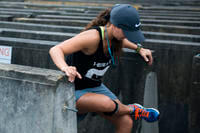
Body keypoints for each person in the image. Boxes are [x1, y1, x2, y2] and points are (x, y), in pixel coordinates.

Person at [49, 4, 160, 133]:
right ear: (114, 24)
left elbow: (123, 41)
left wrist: (139, 48)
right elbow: (56, 49)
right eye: (127, 32)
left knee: (126, 122)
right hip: (71, 89)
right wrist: (65, 67)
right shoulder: (92, 37)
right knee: (107, 104)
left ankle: (129, 109)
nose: (128, 36)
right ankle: (133, 109)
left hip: (94, 87)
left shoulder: (115, 37)